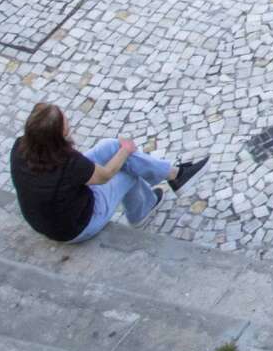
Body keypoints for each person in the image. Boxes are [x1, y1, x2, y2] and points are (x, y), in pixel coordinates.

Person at [11, 102, 206, 244]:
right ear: (56, 138)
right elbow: (105, 175)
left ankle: (173, 176)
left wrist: (120, 150)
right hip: (77, 227)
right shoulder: (68, 162)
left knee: (110, 146)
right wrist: (126, 150)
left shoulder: (20, 147)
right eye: (66, 131)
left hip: (44, 221)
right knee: (127, 168)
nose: (70, 130)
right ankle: (144, 209)